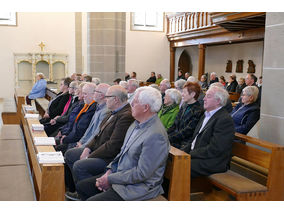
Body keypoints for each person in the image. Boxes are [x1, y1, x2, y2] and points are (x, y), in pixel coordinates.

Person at [76, 86, 170, 201]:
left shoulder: (155, 135)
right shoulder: (136, 124)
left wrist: (111, 179)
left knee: (92, 200)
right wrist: (109, 172)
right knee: (83, 187)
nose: (131, 104)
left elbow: (142, 174)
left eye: (134, 102)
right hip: (121, 176)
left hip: (137, 187)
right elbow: (121, 153)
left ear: (145, 107)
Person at [64, 85, 134, 200]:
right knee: (71, 154)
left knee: (80, 165)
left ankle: (87, 195)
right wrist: (87, 148)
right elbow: (97, 134)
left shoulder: (126, 116)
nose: (105, 99)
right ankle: (79, 190)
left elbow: (113, 145)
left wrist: (90, 155)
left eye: (107, 97)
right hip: (98, 149)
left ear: (116, 99)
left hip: (108, 157)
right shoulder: (113, 111)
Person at [182, 86, 235, 178]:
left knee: (179, 166)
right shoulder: (206, 114)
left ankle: (177, 192)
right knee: (171, 160)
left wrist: (191, 154)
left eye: (208, 96)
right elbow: (195, 140)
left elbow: (215, 149)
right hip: (200, 156)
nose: (204, 98)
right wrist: (182, 152)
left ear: (218, 101)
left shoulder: (224, 120)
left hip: (213, 161)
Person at [54, 83, 97, 154]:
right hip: (72, 137)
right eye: (82, 93)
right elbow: (72, 122)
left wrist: (67, 138)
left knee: (60, 150)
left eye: (85, 94)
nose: (83, 96)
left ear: (93, 94)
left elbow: (81, 129)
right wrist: (63, 132)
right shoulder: (85, 105)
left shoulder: (91, 108)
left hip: (76, 140)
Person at [167, 82, 204, 149]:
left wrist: (169, 138)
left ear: (192, 94)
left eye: (184, 92)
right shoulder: (184, 105)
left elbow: (187, 131)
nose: (182, 94)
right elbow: (174, 125)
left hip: (185, 143)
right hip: (176, 139)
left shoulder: (198, 111)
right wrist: (165, 134)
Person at [76, 83, 110, 148]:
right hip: (84, 143)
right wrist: (81, 141)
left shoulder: (105, 111)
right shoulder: (98, 106)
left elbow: (96, 134)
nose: (94, 93)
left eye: (95, 91)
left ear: (101, 95)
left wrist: (83, 146)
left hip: (90, 146)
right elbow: (89, 129)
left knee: (69, 153)